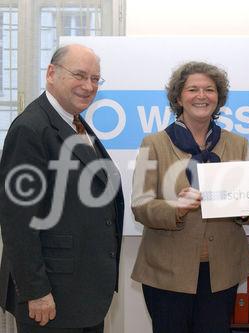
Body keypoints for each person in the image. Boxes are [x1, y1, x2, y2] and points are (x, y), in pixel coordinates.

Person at [0, 44, 124, 332]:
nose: (88, 86)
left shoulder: (75, 123)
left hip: (82, 292)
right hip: (50, 298)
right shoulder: (30, 129)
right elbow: (18, 220)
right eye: (80, 75)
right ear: (51, 73)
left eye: (95, 79)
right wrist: (36, 291)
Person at [131, 61, 249, 333]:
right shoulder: (153, 143)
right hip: (166, 274)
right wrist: (175, 208)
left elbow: (248, 205)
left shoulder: (238, 144)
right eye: (193, 89)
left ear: (218, 97)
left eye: (209, 90)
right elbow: (140, 206)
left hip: (221, 272)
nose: (202, 96)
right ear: (179, 97)